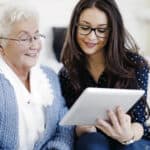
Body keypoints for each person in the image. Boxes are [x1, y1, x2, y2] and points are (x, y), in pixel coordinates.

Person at [59, 0, 150, 149]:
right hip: (92, 140)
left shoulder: (135, 65)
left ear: (112, 31)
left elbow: (139, 122)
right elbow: (66, 121)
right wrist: (78, 129)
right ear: (75, 27)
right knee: (91, 143)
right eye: (85, 27)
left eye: (101, 30)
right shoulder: (67, 73)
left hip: (130, 140)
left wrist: (128, 136)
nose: (91, 37)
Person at [0, 3, 73, 150]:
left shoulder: (49, 76)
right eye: (24, 38)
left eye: (36, 35)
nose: (34, 45)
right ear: (2, 47)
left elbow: (65, 125)